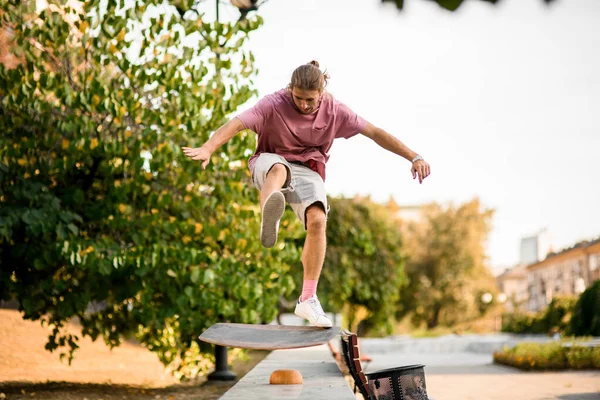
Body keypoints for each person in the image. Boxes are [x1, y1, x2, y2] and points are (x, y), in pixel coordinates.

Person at [183, 61, 430, 328]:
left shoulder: (336, 111)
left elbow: (375, 133)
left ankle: (308, 299)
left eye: (310, 100)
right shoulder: (273, 104)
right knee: (278, 169)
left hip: (307, 169)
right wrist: (208, 147)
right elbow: (236, 124)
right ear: (290, 89)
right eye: (298, 98)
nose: (303, 105)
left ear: (321, 93)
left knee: (318, 220)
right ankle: (270, 214)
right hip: (269, 161)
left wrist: (413, 156)